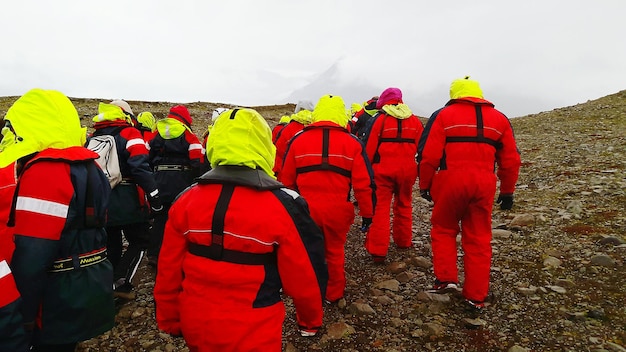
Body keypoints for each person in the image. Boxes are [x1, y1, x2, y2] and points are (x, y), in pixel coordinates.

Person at [154, 108, 328, 351]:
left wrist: (170, 319)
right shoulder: (285, 205)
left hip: (196, 323)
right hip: (255, 329)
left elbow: (168, 270)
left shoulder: (186, 199)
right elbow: (304, 273)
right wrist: (310, 320)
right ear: (264, 145)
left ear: (214, 144)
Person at [0, 88, 115, 351]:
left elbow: (32, 255)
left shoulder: (45, 172)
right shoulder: (91, 166)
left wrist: (23, 316)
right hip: (87, 284)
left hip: (53, 299)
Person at [417, 76, 521, 311]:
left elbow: (429, 156)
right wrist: (507, 191)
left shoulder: (444, 115)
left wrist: (425, 185)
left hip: (450, 180)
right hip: (484, 183)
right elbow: (511, 160)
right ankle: (476, 296)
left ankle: (446, 280)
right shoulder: (500, 119)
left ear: (454, 94)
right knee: (478, 238)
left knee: (443, 229)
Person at [280, 94, 376, 303]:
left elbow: (286, 181)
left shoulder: (298, 140)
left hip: (305, 210)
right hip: (337, 210)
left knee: (307, 254)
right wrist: (367, 214)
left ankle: (310, 294)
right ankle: (333, 294)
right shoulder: (353, 143)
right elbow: (363, 184)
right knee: (333, 252)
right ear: (341, 115)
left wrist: (287, 213)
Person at [91, 99, 163, 299]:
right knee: (141, 240)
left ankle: (106, 285)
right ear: (127, 115)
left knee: (111, 243)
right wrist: (154, 194)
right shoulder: (130, 133)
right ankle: (121, 282)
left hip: (101, 198)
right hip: (127, 198)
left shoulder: (94, 136)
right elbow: (140, 167)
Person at [363, 88, 424, 263]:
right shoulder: (414, 121)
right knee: (404, 204)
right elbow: (421, 149)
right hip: (407, 171)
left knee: (380, 208)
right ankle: (403, 241)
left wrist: (366, 171)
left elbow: (369, 149)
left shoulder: (380, 120)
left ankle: (378, 250)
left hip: (383, 171)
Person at [147, 105, 208, 267]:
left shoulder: (156, 132)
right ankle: (176, 254)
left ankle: (153, 254)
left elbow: (146, 156)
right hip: (181, 181)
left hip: (158, 180)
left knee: (160, 218)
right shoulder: (188, 135)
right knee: (179, 218)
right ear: (186, 118)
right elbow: (197, 160)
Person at [272, 100, 314, 178]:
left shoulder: (286, 130)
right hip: (311, 176)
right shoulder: (318, 129)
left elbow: (277, 152)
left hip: (287, 175)